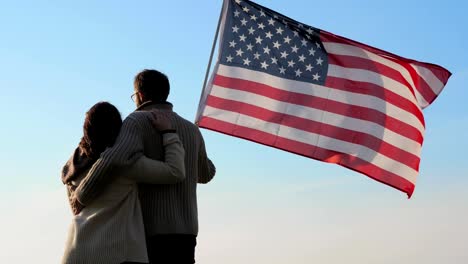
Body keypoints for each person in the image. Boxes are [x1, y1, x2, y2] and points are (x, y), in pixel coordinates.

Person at [70, 69, 216, 264]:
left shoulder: (136, 121)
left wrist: (81, 196)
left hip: (150, 232)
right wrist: (194, 148)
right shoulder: (191, 129)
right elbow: (206, 173)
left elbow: (112, 159)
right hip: (186, 233)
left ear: (140, 95)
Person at [62, 102, 186, 264]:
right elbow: (175, 171)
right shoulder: (126, 164)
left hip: (77, 250)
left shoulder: (72, 168)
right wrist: (168, 133)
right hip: (119, 252)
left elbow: (75, 208)